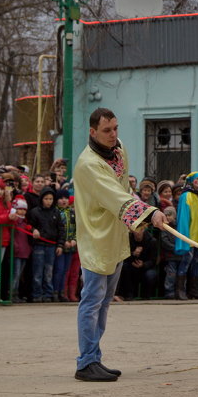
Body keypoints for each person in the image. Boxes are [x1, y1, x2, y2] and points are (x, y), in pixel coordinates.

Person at [73, 107, 163, 382]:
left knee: (104, 303)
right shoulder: (88, 164)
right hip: (96, 236)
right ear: (92, 132)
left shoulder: (118, 149)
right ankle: (86, 361)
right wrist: (147, 212)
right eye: (106, 131)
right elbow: (114, 196)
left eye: (115, 129)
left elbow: (124, 188)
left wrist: (140, 213)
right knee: (92, 300)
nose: (113, 135)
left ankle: (94, 357)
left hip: (115, 234)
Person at [172, 172, 198, 300]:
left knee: (197, 264)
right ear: (191, 181)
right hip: (190, 237)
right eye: (196, 179)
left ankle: (194, 290)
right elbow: (183, 217)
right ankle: (180, 290)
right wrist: (184, 237)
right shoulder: (186, 195)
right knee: (186, 262)